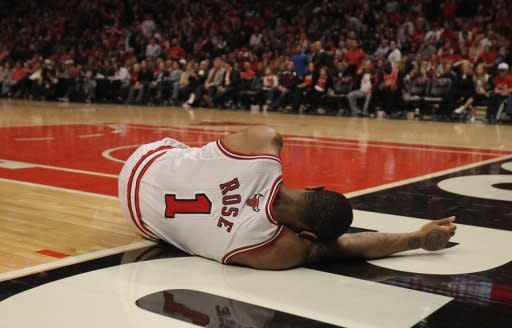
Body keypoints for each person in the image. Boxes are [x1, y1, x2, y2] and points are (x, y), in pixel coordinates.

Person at [118, 126, 457, 270]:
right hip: (137, 218)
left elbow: (248, 142)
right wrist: (415, 238)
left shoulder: (265, 144)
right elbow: (353, 247)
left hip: (143, 160)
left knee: (203, 154)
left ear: (315, 188)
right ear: (308, 234)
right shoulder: (276, 251)